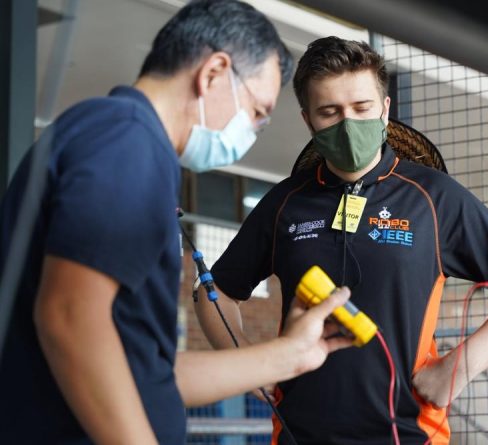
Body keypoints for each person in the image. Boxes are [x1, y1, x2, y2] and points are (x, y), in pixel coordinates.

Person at [0, 2, 355, 444]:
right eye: (258, 114)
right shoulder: (127, 140)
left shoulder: (112, 137)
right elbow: (70, 318)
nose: (253, 132)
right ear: (213, 73)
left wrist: (289, 357)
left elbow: (150, 375)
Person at [197, 36, 488, 445]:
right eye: (330, 112)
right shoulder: (285, 203)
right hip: (299, 435)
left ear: (385, 110)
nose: (348, 123)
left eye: (361, 108)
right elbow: (213, 293)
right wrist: (248, 366)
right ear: (308, 119)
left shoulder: (433, 197)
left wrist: (457, 367)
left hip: (409, 434)